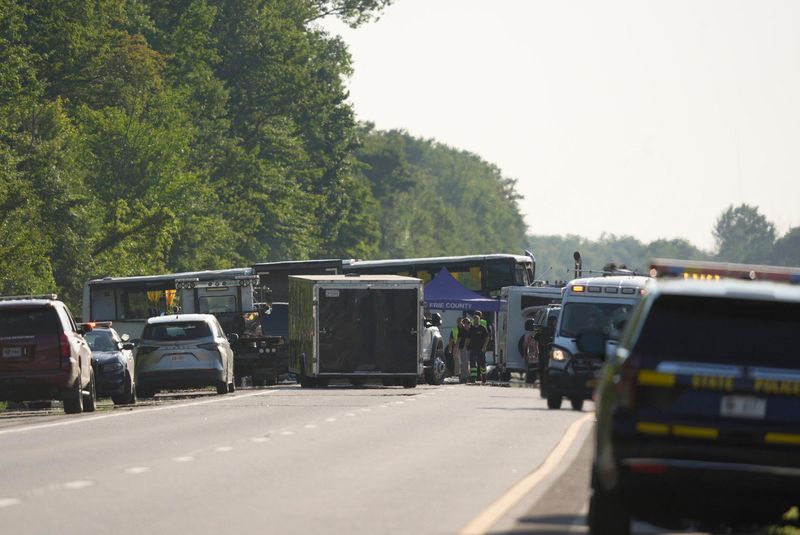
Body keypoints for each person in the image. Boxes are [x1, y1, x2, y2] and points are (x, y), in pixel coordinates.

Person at [465, 310, 490, 383]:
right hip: (472, 348)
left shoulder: (482, 328)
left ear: (479, 320)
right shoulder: (471, 328)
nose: (476, 321)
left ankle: (484, 376)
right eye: (475, 320)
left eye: (477, 320)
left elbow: (487, 338)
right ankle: (473, 377)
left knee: (482, 363)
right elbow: (468, 338)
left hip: (481, 349)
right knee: (473, 364)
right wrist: (466, 345)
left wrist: (484, 346)